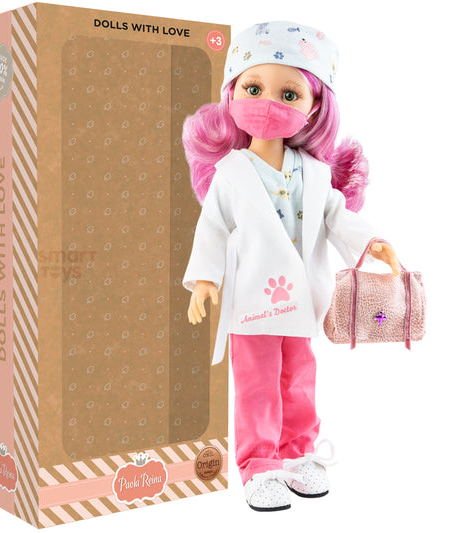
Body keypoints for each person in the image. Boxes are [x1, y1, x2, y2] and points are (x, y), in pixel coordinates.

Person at [181, 21, 399, 512]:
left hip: (301, 298)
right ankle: (258, 465)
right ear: (232, 93)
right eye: (253, 88)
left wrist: (373, 244)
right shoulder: (231, 173)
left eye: (289, 94)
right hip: (252, 299)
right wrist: (204, 281)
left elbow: (338, 217)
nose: (268, 103)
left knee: (298, 379)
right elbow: (211, 227)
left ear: (314, 107)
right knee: (256, 385)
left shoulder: (316, 173)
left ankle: (297, 454)